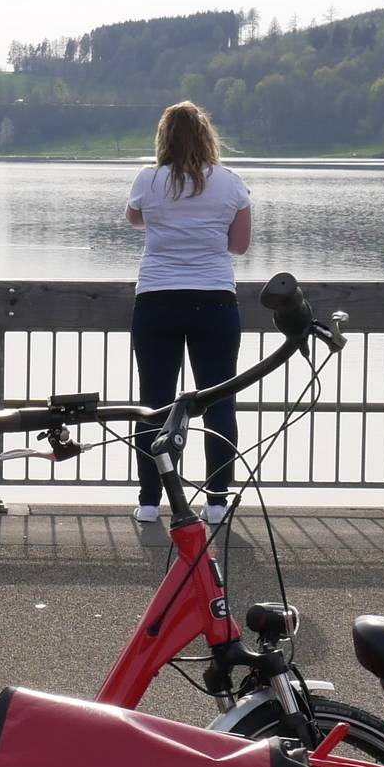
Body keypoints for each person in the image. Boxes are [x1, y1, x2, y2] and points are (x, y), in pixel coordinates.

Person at [123, 100, 253, 523]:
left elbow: (134, 219)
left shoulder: (148, 178)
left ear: (164, 138)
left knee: (155, 404)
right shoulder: (231, 183)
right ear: (207, 137)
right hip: (215, 301)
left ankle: (148, 501)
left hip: (157, 299)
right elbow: (238, 246)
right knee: (219, 403)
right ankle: (216, 502)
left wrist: (168, 219)